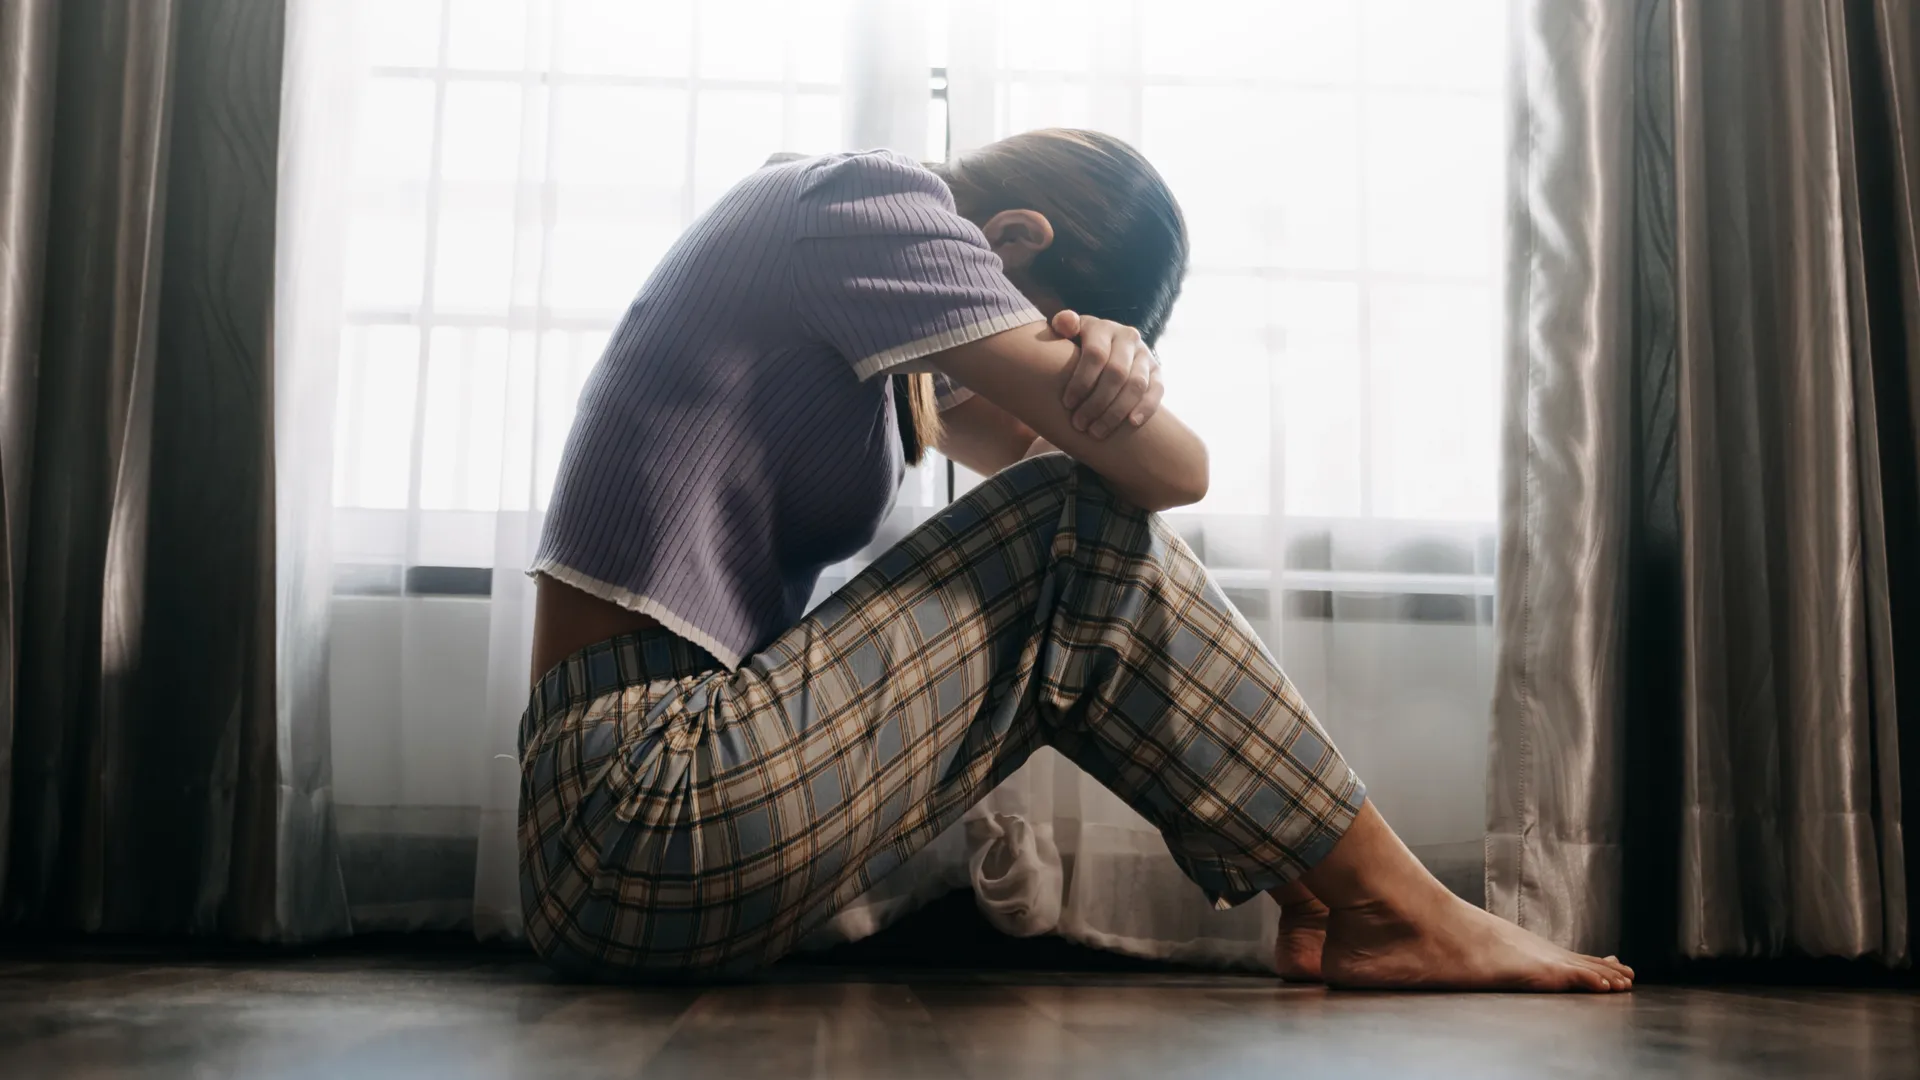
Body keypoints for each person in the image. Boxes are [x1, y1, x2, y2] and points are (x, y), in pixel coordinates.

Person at [518, 129, 1634, 992]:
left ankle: (1329, 892)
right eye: (1045, 323)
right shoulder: (859, 200)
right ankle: (1395, 906)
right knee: (1070, 527)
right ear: (1011, 244)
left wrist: (1112, 356)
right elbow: (1161, 477)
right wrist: (1119, 385)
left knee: (1077, 554)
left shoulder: (873, 314)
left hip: (655, 841)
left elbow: (1039, 458)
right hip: (638, 800)